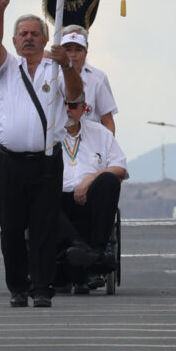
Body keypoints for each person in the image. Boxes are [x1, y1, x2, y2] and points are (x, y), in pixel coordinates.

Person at [0, 0, 64, 307]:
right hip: (9, 162)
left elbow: (74, 94)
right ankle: (18, 287)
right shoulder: (6, 68)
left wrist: (67, 65)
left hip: (46, 162)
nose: (28, 39)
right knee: (12, 229)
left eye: (34, 34)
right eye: (23, 35)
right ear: (15, 41)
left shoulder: (55, 69)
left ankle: (42, 287)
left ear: (44, 40)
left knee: (44, 228)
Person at [55, 93, 129, 286]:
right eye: (62, 105)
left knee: (109, 181)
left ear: (83, 107)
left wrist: (92, 178)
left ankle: (95, 250)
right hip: (57, 202)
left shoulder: (99, 133)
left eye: (72, 105)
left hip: (89, 200)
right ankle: (90, 256)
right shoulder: (45, 133)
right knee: (42, 196)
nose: (67, 110)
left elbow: (120, 168)